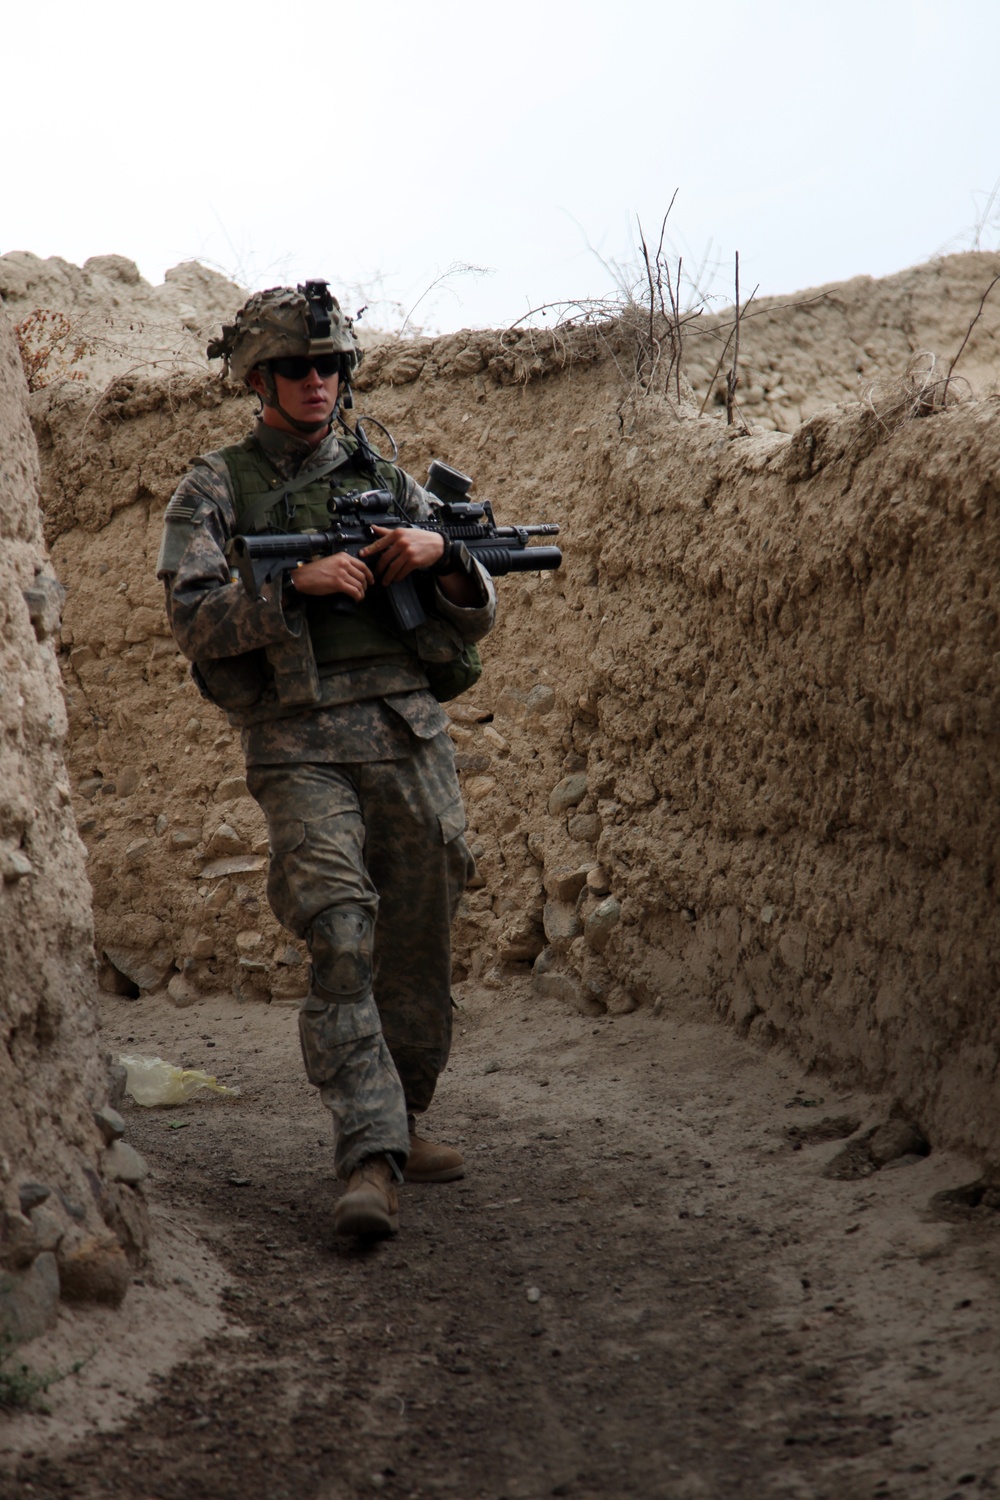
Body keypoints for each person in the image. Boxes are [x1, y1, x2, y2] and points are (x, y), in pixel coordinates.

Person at [156, 281, 495, 1237]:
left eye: (332, 365)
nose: (318, 381)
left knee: (421, 935)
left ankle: (403, 1112)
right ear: (258, 380)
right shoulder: (216, 485)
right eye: (298, 368)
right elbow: (190, 618)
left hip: (405, 732)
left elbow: (482, 603)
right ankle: (370, 1155)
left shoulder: (386, 479)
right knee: (342, 930)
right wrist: (291, 589)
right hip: (300, 741)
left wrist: (437, 553)